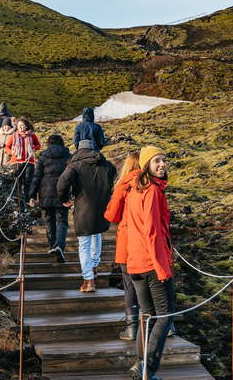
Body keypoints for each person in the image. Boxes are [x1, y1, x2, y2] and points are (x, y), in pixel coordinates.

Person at [126, 146, 174, 380]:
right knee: (165, 316)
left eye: (164, 160)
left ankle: (139, 365)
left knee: (147, 316)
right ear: (146, 165)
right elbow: (152, 232)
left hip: (134, 263)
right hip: (152, 263)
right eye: (157, 161)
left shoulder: (134, 189)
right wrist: (162, 268)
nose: (162, 165)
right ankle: (149, 368)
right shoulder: (153, 192)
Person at [57, 139, 116, 293]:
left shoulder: (75, 165)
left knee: (84, 244)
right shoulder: (108, 165)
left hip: (83, 207)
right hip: (103, 206)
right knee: (97, 234)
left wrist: (65, 199)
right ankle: (94, 267)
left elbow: (62, 182)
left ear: (78, 150)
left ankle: (88, 280)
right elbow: (116, 182)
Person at [105, 152, 141, 341]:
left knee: (129, 284)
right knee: (152, 284)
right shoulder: (153, 183)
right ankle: (165, 325)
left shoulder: (124, 183)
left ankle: (132, 328)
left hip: (128, 240)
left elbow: (111, 215)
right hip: (148, 242)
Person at [29, 135, 71, 263]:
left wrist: (32, 195)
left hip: (46, 190)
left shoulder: (43, 156)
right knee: (62, 220)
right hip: (62, 190)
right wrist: (73, 192)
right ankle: (60, 246)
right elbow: (72, 175)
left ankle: (52, 245)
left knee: (49, 219)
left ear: (48, 143)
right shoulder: (68, 155)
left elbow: (36, 177)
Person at [5, 117, 41, 209]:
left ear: (26, 126)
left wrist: (34, 148)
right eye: (19, 126)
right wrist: (12, 153)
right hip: (16, 162)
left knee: (29, 182)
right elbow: (7, 147)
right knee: (18, 182)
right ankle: (18, 202)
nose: (20, 127)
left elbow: (38, 145)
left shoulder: (32, 135)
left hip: (29, 161)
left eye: (22, 125)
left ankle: (27, 200)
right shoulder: (14, 135)